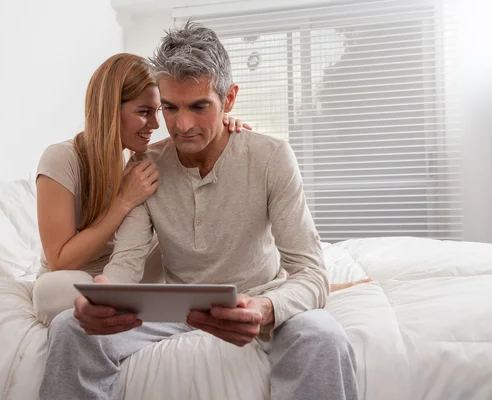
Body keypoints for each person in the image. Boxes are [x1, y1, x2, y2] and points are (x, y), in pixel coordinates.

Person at [39, 22, 359, 400]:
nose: (182, 125)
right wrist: (101, 297)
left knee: (324, 337)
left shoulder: (272, 157)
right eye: (170, 107)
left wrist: (266, 308)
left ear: (230, 99)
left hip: (260, 300)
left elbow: (310, 271)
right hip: (177, 310)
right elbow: (125, 263)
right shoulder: (145, 165)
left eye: (199, 106)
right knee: (69, 328)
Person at [32, 53, 251, 325]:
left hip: (130, 270)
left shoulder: (139, 159)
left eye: (158, 110)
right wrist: (123, 201)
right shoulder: (62, 158)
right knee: (50, 291)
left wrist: (222, 128)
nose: (156, 124)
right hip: (79, 275)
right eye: (144, 112)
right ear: (110, 110)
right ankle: (132, 307)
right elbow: (59, 262)